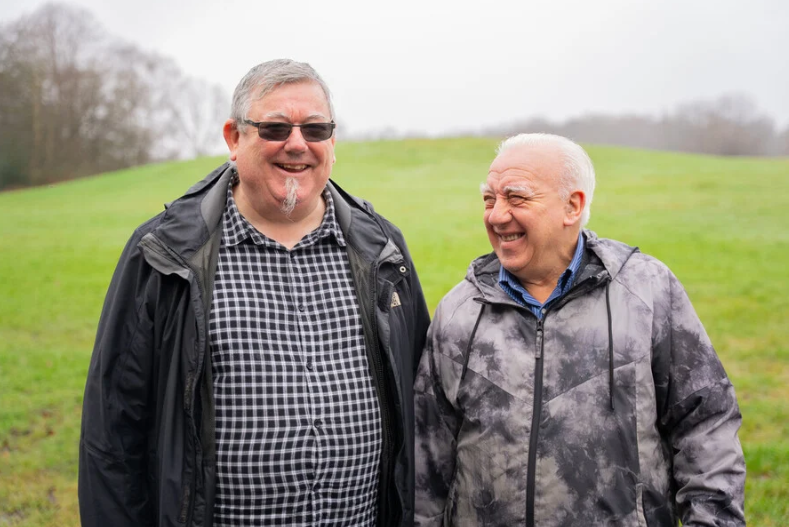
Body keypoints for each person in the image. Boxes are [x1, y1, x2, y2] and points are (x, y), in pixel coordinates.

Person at [79, 59, 430, 527]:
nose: (298, 144)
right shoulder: (162, 254)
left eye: (316, 128)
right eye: (275, 128)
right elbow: (112, 433)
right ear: (233, 137)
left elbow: (419, 408)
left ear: (332, 140)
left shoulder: (384, 248)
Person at [414, 133, 745, 526]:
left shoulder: (647, 292)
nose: (497, 215)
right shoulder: (459, 311)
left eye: (516, 198)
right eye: (490, 199)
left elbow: (706, 423)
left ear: (572, 206)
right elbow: (427, 458)